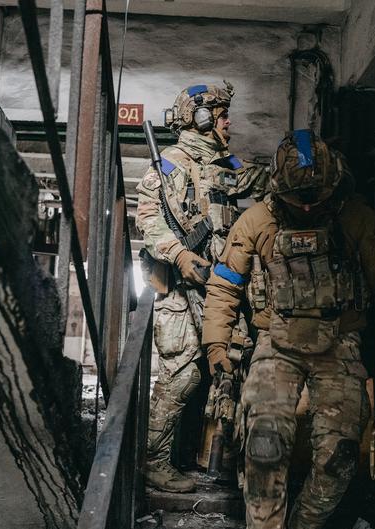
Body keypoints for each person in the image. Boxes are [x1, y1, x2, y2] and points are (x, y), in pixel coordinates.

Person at [201, 131, 375, 529]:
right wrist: (216, 346)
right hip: (275, 341)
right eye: (297, 198)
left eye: (314, 198)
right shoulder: (257, 221)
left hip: (339, 340)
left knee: (340, 454)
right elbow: (224, 286)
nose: (305, 207)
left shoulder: (354, 218)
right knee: (263, 443)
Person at [136, 81, 267, 493]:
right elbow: (148, 219)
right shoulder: (170, 164)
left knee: (230, 369)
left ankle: (222, 464)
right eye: (222, 114)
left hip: (222, 288)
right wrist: (178, 254)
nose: (229, 121)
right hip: (182, 291)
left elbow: (262, 183)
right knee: (180, 377)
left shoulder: (225, 163)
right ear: (203, 118)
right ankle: (153, 463)